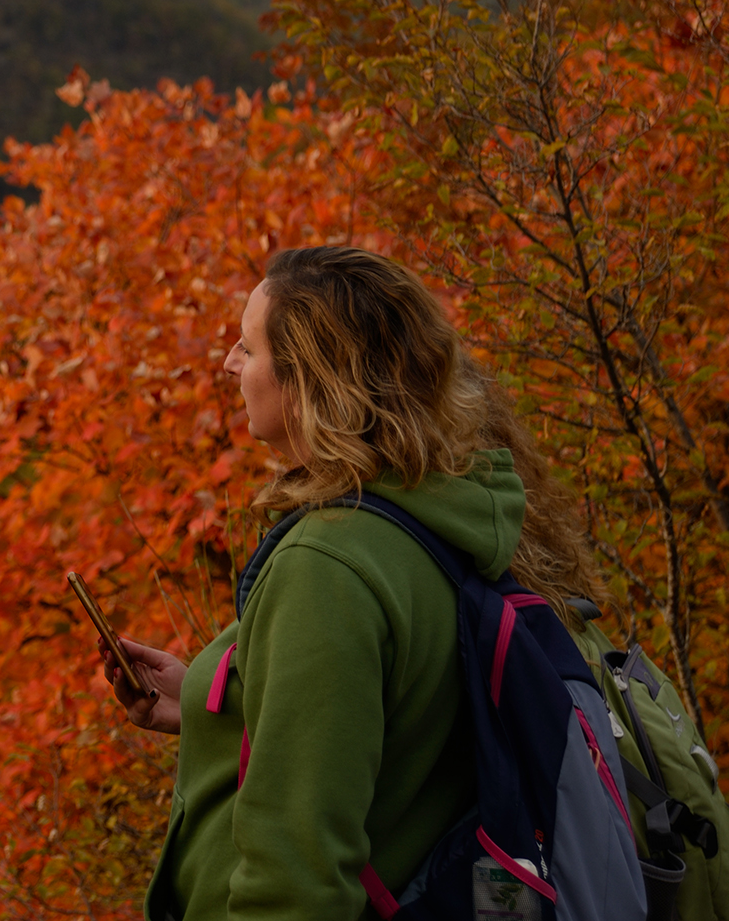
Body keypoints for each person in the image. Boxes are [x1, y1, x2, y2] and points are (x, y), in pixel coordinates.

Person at [100, 245, 605, 920]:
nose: (228, 363)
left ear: (311, 380)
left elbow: (297, 882)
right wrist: (217, 702)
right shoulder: (434, 514)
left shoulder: (327, 568)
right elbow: (387, 730)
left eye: (248, 347)